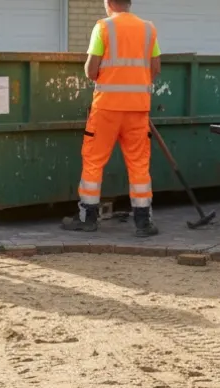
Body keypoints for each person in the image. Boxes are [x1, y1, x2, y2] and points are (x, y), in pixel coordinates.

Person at [62, 0, 160, 237]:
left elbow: (90, 69)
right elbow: (155, 68)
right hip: (137, 109)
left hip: (106, 108)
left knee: (94, 160)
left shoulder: (103, 27)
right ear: (129, 3)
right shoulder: (148, 29)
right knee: (138, 163)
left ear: (108, 3)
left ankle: (88, 218)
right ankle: (143, 222)